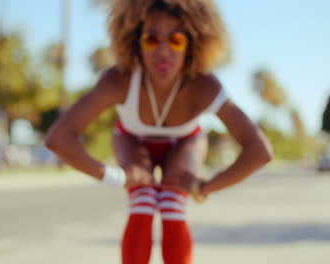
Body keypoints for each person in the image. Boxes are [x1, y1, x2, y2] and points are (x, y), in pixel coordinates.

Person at [45, 0, 273, 263]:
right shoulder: (120, 79)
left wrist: (205, 186)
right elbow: (58, 137)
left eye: (175, 40)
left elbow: (260, 150)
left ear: (192, 44)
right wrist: (114, 177)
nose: (163, 51)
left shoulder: (204, 85)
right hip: (132, 140)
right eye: (151, 39)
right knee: (142, 202)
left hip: (185, 142)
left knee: (171, 204)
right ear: (135, 42)